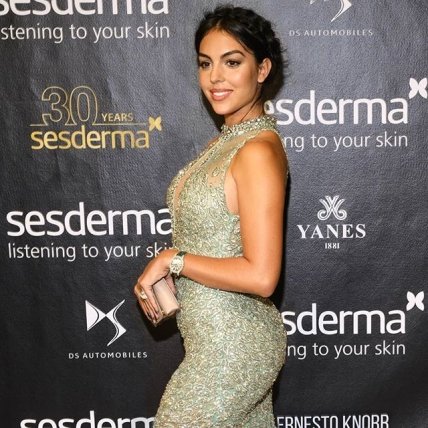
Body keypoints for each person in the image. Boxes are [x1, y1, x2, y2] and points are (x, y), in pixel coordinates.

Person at [134, 5, 288, 427]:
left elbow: (262, 275)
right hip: (211, 341)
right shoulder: (224, 143)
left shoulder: (256, 151)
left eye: (232, 62)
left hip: (234, 347)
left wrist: (174, 260)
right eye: (206, 64)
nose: (215, 77)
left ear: (262, 69)